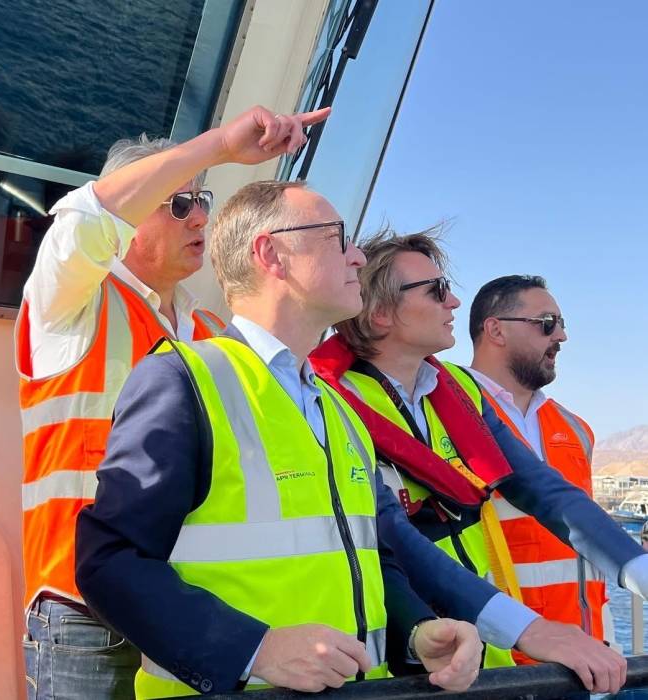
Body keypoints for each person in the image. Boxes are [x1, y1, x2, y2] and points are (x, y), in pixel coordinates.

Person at [76, 180, 487, 698]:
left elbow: (363, 554)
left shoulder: (339, 409)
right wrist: (255, 649)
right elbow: (110, 561)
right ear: (271, 254)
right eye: (337, 238)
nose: (358, 257)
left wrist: (417, 631)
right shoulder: (183, 380)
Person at [16, 105, 329, 699]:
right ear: (132, 214)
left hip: (186, 606)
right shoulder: (71, 304)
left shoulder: (210, 332)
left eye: (202, 200)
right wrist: (220, 145)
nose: (200, 216)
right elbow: (86, 218)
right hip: (84, 613)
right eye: (179, 203)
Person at [311, 229, 634, 692]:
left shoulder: (460, 392)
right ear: (381, 312)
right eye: (436, 290)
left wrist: (636, 568)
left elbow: (543, 488)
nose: (455, 302)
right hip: (412, 661)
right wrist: (531, 629)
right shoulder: (329, 405)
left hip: (488, 657)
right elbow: (393, 537)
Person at [468, 274, 614, 657]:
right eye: (547, 323)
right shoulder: (447, 416)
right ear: (495, 330)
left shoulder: (576, 430)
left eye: (561, 324)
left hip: (583, 658)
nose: (561, 336)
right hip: (494, 665)